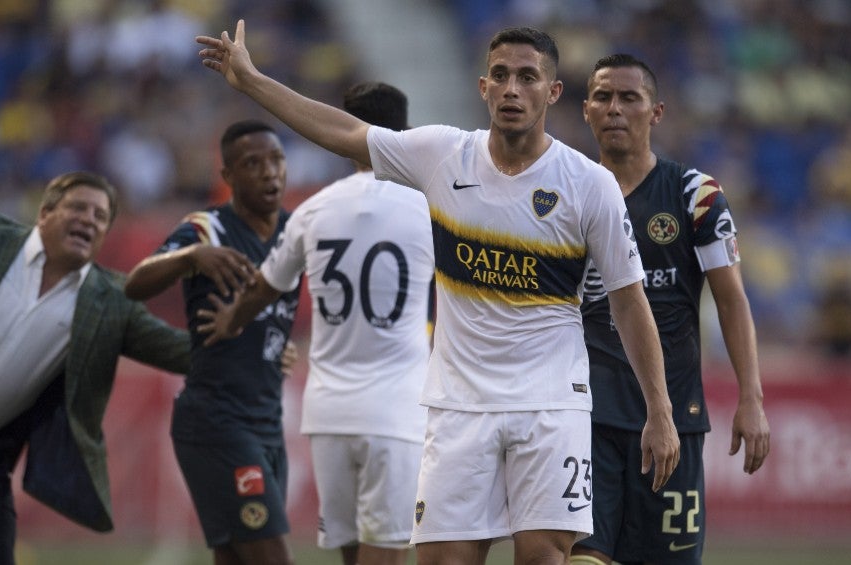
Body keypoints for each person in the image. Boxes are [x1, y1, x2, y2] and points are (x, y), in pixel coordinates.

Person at [196, 21, 680, 565]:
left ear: (553, 91)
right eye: (500, 76)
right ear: (483, 87)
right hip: (458, 406)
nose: (512, 89)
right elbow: (344, 132)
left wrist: (659, 411)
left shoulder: (589, 184)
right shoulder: (442, 154)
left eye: (527, 77)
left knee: (544, 557)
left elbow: (628, 301)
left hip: (550, 404)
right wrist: (254, 81)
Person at [0, 171, 257, 564]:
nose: (89, 219)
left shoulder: (109, 301)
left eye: (100, 216)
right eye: (78, 207)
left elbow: (179, 351)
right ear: (45, 213)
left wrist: (253, 349)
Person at [199, 82, 435, 565]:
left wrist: (230, 319)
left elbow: (265, 287)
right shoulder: (430, 208)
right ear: (403, 135)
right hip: (395, 413)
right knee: (385, 553)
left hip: (328, 414)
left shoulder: (312, 210)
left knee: (349, 553)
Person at [572, 53, 771, 565]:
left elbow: (732, 300)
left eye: (629, 98)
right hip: (583, 417)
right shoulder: (564, 193)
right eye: (603, 97)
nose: (615, 108)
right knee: (579, 556)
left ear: (655, 112)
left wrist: (751, 397)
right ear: (586, 109)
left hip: (673, 419)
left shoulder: (696, 196)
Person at [124, 120, 301, 565]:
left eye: (276, 160)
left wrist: (275, 344)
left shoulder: (298, 230)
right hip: (217, 422)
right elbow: (136, 284)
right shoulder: (206, 229)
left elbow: (274, 315)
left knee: (235, 558)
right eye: (252, 163)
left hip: (267, 421)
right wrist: (189, 256)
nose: (269, 172)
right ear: (228, 178)